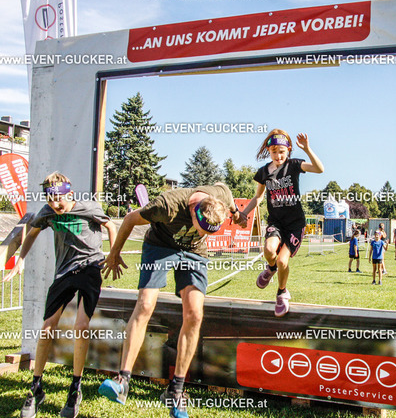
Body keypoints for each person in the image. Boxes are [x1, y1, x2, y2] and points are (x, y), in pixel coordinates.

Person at [99, 183, 246, 418]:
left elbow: (230, 202)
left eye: (208, 233)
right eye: (201, 229)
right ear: (194, 212)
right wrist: (114, 253)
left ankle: (176, 390)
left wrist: (238, 216)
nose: (202, 234)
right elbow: (129, 219)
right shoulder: (166, 206)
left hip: (194, 253)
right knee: (145, 304)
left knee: (195, 314)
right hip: (160, 246)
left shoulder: (220, 196)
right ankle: (122, 380)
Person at [4, 172, 116, 418]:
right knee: (47, 328)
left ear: (70, 194)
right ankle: (36, 387)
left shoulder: (88, 208)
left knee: (81, 326)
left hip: (90, 268)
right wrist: (21, 259)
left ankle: (75, 388)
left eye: (59, 199)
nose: (55, 204)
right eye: (50, 199)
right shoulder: (47, 213)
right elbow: (31, 233)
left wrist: (113, 254)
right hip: (64, 273)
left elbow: (110, 224)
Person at [240, 129, 324, 317]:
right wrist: (244, 213)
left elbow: (319, 169)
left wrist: (307, 149)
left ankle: (282, 292)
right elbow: (258, 197)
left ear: (289, 150)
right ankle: (270, 269)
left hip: (295, 224)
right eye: (274, 152)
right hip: (276, 221)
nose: (278, 156)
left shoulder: (294, 165)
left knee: (282, 260)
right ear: (268, 151)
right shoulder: (263, 172)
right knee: (269, 250)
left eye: (282, 152)